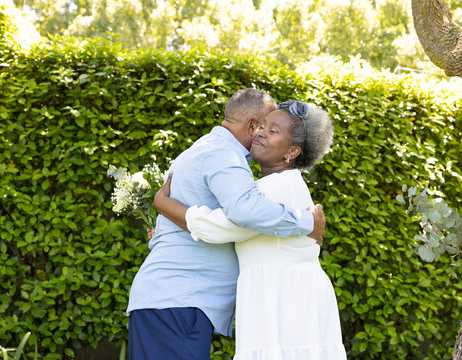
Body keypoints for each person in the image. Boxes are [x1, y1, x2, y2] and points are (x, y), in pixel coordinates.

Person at [126, 89, 327, 360]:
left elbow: (227, 222)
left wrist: (166, 210)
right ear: (252, 125)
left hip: (174, 300)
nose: (263, 134)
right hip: (180, 301)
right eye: (264, 126)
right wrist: (307, 222)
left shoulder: (206, 149)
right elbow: (244, 212)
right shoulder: (224, 155)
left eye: (273, 129)